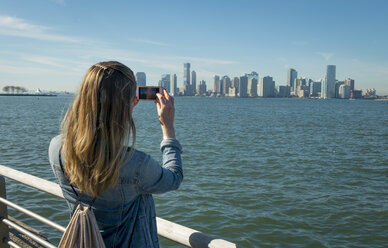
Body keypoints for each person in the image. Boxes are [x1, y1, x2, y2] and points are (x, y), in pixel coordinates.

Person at [48, 61, 183, 247]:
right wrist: (168, 128)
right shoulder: (135, 164)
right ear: (126, 105)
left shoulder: (56, 148)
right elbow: (174, 178)